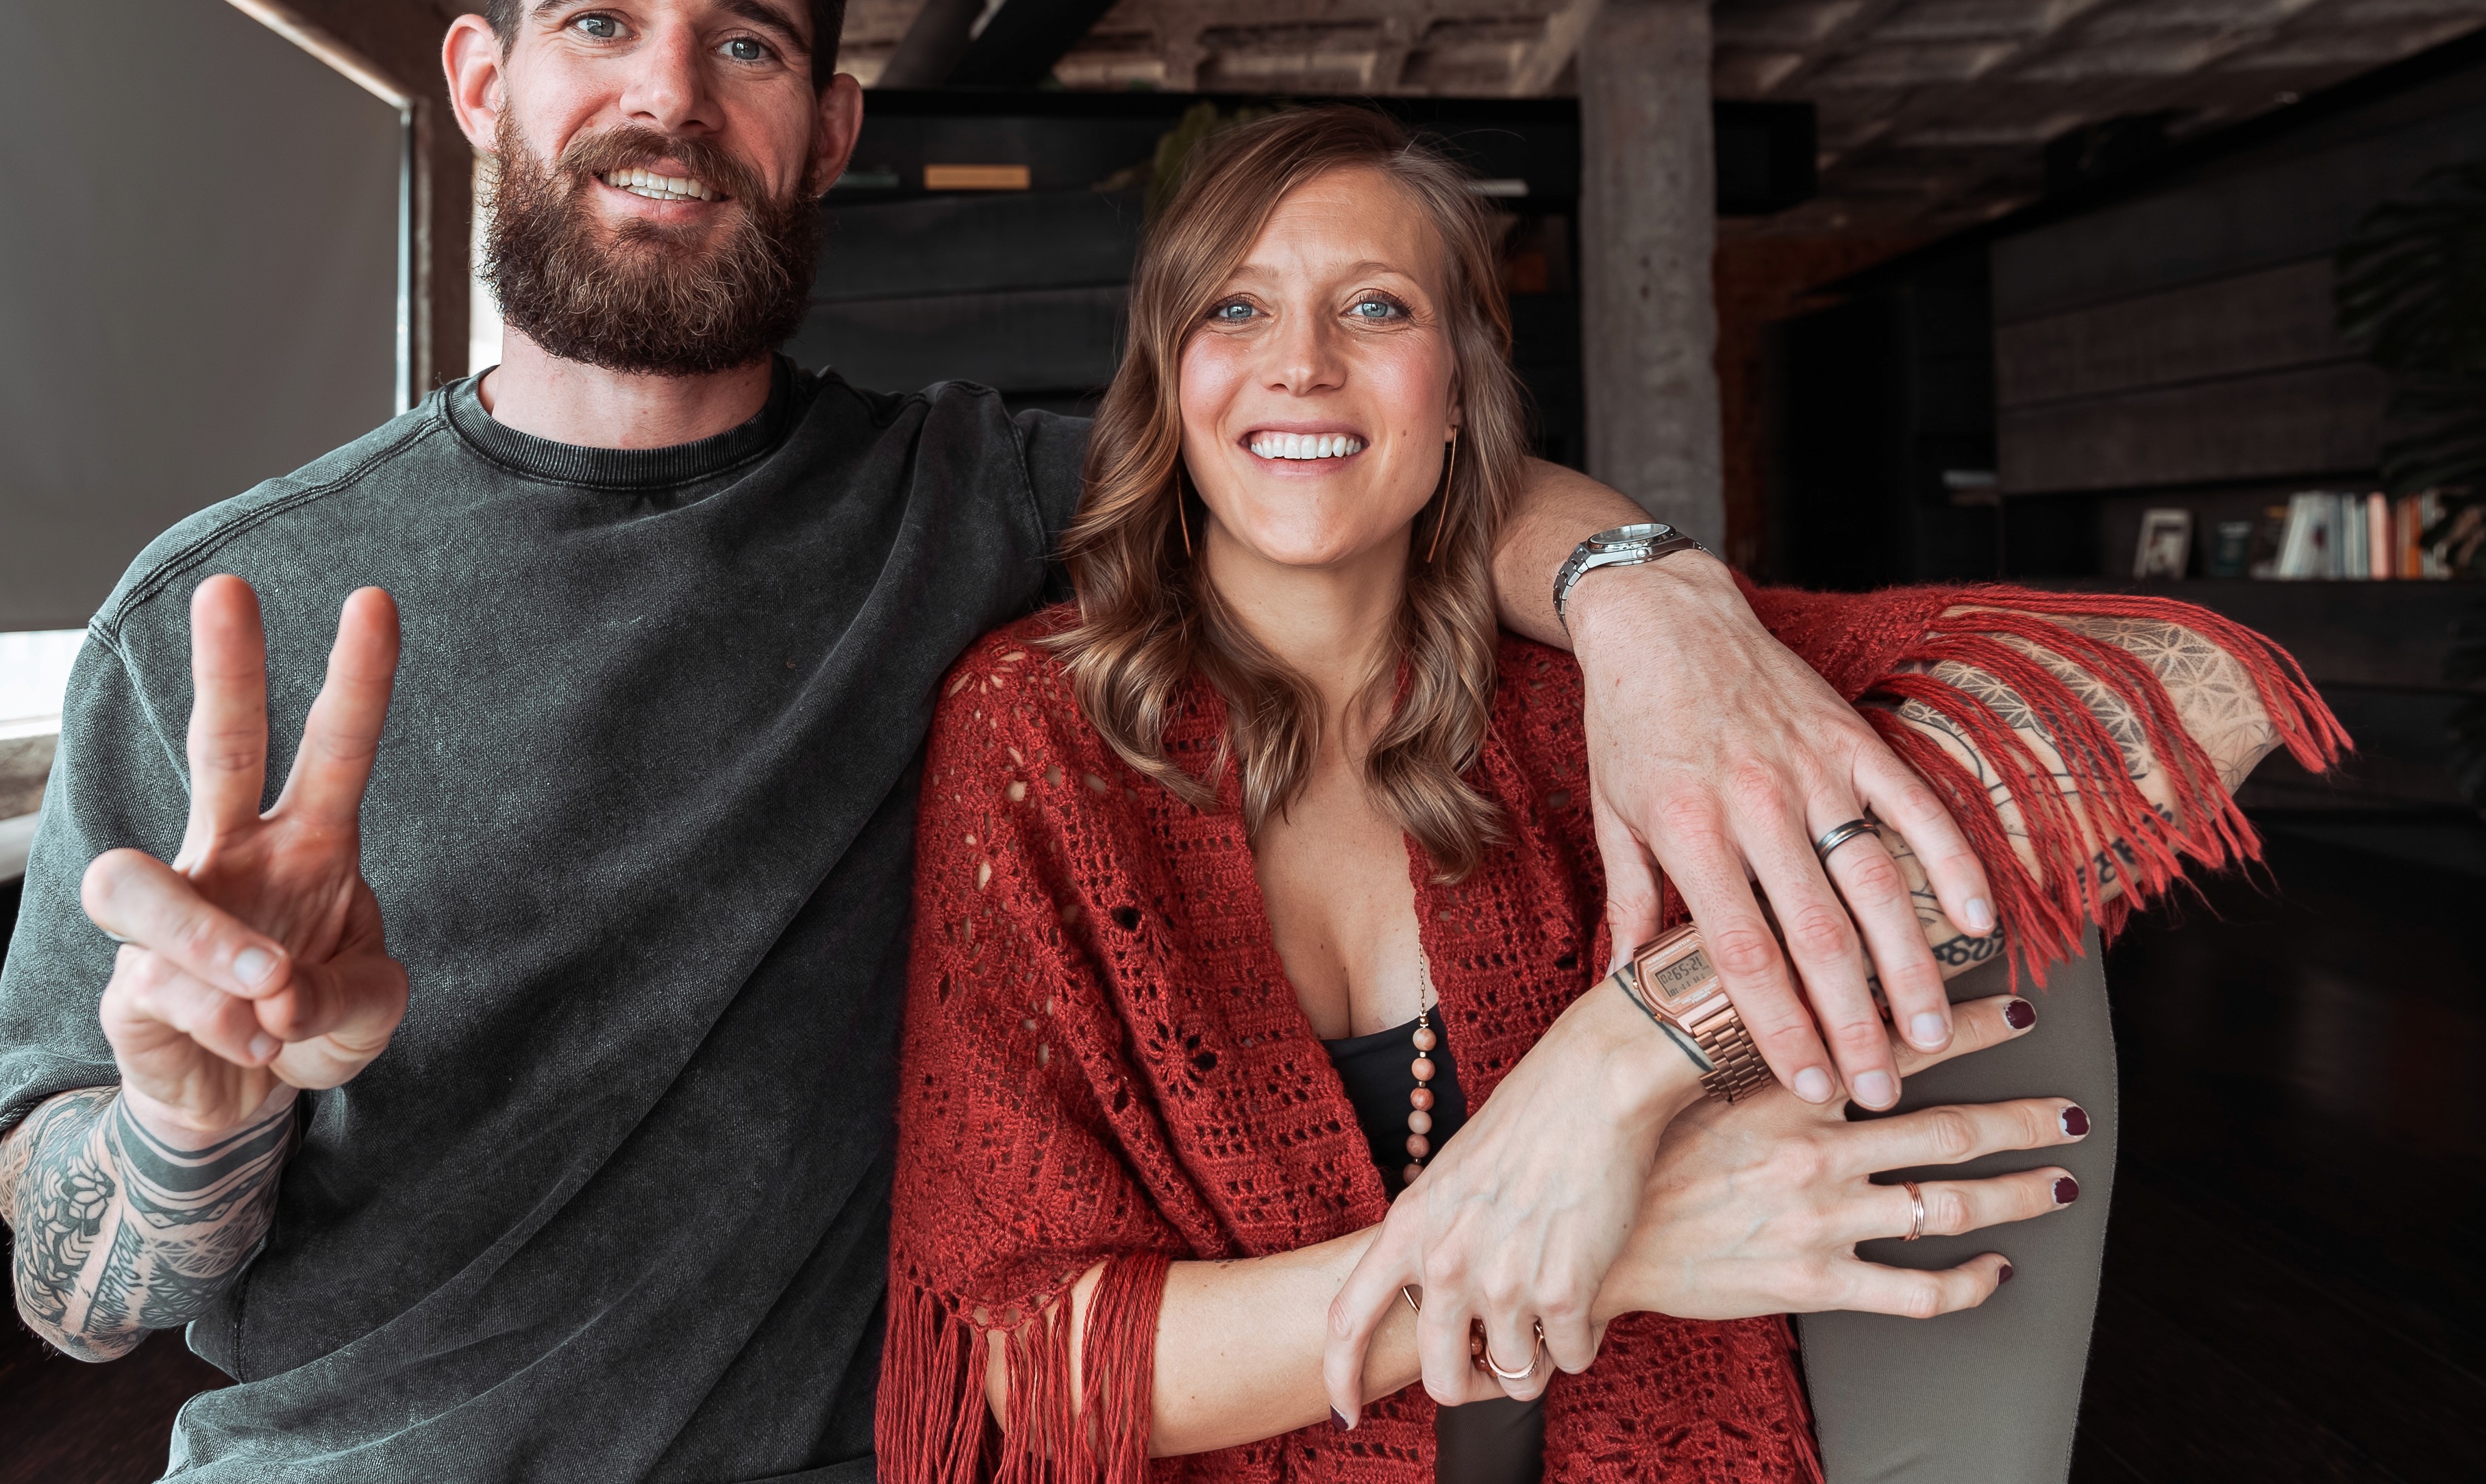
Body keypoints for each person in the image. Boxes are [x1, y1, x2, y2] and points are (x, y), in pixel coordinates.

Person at [0, 0, 2090, 1482]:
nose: (670, 95)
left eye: (747, 41)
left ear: (829, 129)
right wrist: (192, 1124)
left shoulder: (975, 503)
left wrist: (1653, 603)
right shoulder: (216, 622)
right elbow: (73, 1300)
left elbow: (1336, 458)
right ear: (481, 79)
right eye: (599, 20)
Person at [879, 108, 2340, 1481]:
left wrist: (1618, 1065)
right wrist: (1615, 1234)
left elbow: (2199, 693)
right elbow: (1031, 1354)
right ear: (1167, 383)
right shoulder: (1035, 734)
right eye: (1234, 308)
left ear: (1462, 396)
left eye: (1376, 307)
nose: (1301, 361)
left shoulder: (1614, 706)